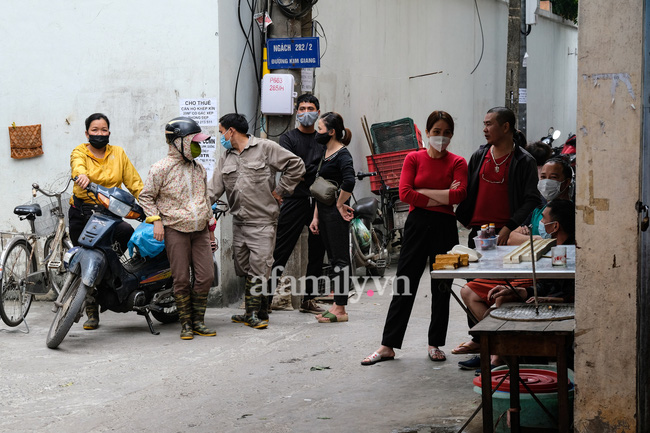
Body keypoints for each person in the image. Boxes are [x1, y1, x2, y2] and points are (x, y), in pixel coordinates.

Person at [362, 110, 468, 365]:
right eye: (436, 132)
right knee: (404, 283)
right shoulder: (413, 158)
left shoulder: (458, 162)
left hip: (445, 226)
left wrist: (426, 194)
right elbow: (405, 193)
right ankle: (388, 345)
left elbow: (459, 195)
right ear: (427, 133)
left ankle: (435, 344)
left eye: (446, 133)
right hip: (417, 224)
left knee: (442, 285)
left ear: (451, 136)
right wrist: (442, 195)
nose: (440, 137)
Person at [208, 113, 305, 329]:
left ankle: (252, 314)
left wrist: (281, 190)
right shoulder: (226, 156)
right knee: (243, 267)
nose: (221, 136)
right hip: (239, 222)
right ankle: (259, 310)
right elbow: (213, 188)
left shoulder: (265, 148)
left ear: (231, 131)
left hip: (263, 221)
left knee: (259, 268)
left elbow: (296, 165)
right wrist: (197, 205)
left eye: (222, 132)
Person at [455, 200, 576, 371]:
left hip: (560, 306)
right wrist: (522, 292)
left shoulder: (571, 250)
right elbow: (547, 284)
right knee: (501, 295)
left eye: (543, 220)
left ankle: (505, 356)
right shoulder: (555, 247)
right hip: (541, 293)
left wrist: (547, 298)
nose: (540, 223)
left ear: (555, 226)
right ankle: (500, 351)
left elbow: (568, 291)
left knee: (502, 302)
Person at [138, 117, 215, 340]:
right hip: (175, 229)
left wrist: (211, 230)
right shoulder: (160, 168)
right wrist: (156, 221)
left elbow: (205, 198)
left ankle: (199, 321)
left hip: (200, 229)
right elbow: (146, 197)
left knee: (206, 276)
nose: (197, 146)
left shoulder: (199, 168)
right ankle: (186, 324)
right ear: (178, 142)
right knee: (180, 279)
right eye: (193, 141)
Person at [69, 113, 143, 330]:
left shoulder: (118, 153)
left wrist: (149, 202)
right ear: (87, 133)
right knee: (85, 260)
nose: (99, 134)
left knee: (127, 233)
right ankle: (91, 310)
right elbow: (77, 165)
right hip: (82, 215)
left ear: (109, 132)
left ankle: (122, 284)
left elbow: (134, 182)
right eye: (95, 130)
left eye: (103, 130)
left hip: (109, 216)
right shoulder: (80, 151)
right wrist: (81, 176)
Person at [269, 94, 327, 315]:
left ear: (318, 112)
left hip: (318, 201)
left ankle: (308, 299)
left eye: (310, 108)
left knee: (317, 251)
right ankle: (265, 298)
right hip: (294, 199)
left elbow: (324, 169)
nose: (305, 112)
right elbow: (292, 169)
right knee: (280, 251)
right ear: (296, 111)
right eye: (301, 108)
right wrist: (309, 173)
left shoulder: (322, 139)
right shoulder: (288, 138)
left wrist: (306, 172)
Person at [455, 106, 541, 247]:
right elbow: (468, 187)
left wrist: (509, 227)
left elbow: (532, 200)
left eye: (489, 124)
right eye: (484, 124)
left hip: (508, 232)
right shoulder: (479, 155)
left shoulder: (524, 161)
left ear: (506, 127)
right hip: (478, 231)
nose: (484, 129)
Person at [308, 112, 356, 323]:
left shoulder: (343, 154)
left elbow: (349, 181)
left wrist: (339, 204)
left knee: (340, 260)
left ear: (332, 131)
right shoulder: (326, 152)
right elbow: (321, 188)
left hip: (336, 214)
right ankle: (337, 304)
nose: (317, 133)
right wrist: (315, 217)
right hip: (324, 212)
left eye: (320, 129)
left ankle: (341, 308)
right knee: (333, 259)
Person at [507, 157, 573, 245]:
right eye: (543, 177)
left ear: (566, 182)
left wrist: (527, 239)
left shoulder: (572, 213)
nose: (546, 182)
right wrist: (538, 240)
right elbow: (511, 239)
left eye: (553, 177)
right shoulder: (538, 209)